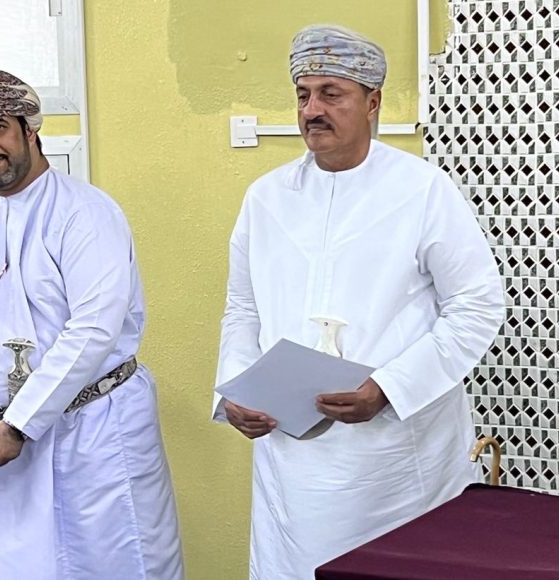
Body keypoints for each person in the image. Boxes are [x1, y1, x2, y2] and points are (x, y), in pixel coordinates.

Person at [213, 24, 505, 579]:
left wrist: (389, 387)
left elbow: (476, 306)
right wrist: (236, 389)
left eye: (331, 94)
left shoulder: (423, 190)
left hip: (395, 455)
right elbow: (243, 307)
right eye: (303, 95)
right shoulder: (267, 197)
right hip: (292, 459)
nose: (312, 110)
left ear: (372, 102)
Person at [0, 66, 184, 580]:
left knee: (111, 565)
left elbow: (93, 329)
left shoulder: (85, 213)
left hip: (95, 434)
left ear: (30, 129)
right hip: (9, 445)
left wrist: (22, 422)